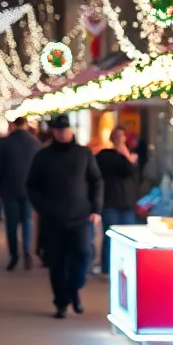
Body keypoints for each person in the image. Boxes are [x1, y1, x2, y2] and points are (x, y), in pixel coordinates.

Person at [26, 114, 102, 318]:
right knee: (57, 261)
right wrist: (43, 207)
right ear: (53, 132)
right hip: (53, 218)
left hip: (80, 216)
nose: (62, 133)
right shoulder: (43, 157)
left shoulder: (83, 154)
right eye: (58, 130)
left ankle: (75, 289)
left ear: (71, 131)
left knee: (83, 254)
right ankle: (61, 301)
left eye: (65, 130)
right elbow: (32, 185)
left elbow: (96, 181)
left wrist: (96, 208)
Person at [0, 116, 42, 271]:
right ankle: (27, 250)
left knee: (11, 224)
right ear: (26, 125)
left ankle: (14, 254)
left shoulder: (5, 143)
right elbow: (39, 167)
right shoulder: (35, 143)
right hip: (29, 189)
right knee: (27, 220)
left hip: (9, 188)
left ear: (13, 125)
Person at [95, 127, 140, 276]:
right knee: (110, 237)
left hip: (125, 202)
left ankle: (122, 269)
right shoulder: (104, 156)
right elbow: (128, 170)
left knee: (126, 239)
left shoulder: (130, 157)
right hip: (112, 201)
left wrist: (126, 155)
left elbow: (131, 172)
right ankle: (108, 269)